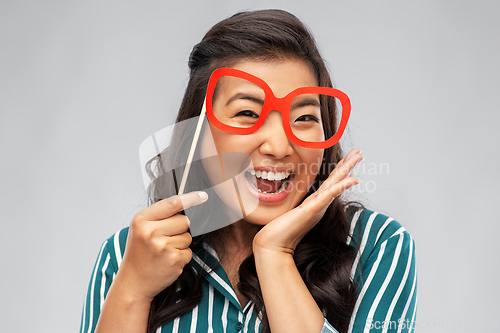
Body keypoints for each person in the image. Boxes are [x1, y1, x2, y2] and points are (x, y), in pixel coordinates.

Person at [80, 9, 417, 333]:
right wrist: (132, 291)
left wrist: (275, 255)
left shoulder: (377, 245)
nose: (278, 146)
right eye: (247, 114)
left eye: (304, 118)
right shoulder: (129, 254)